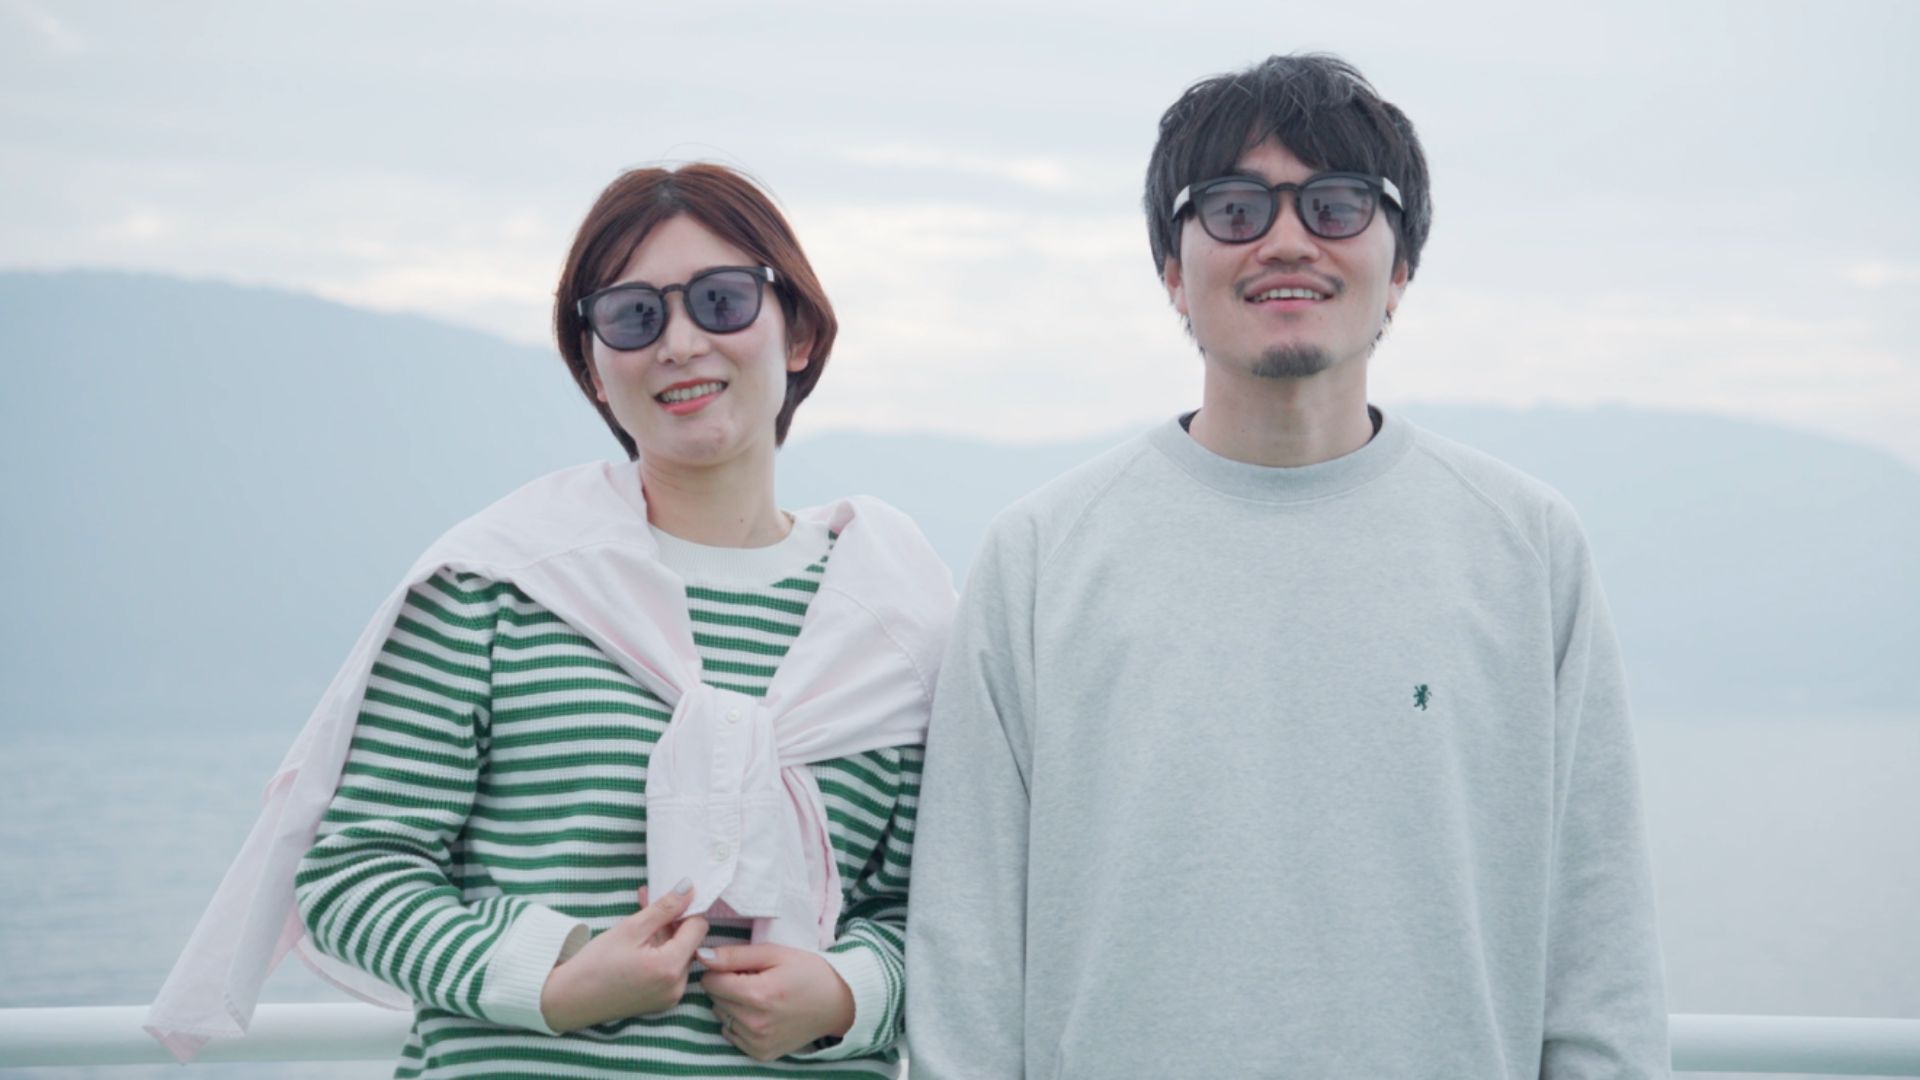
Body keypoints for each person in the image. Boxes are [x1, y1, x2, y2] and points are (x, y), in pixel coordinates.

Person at [905, 53, 1670, 1078]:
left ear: (1402, 266)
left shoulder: (1524, 546)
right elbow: (967, 963)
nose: (1286, 240)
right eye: (1234, 209)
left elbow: (1601, 947)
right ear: (1171, 271)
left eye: (1337, 204)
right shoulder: (1041, 555)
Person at [146, 163, 952, 1078]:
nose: (681, 343)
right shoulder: (496, 587)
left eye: (722, 301)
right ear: (594, 370)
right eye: (633, 316)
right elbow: (353, 875)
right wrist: (553, 977)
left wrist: (847, 994)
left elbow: (949, 918)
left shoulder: (894, 622)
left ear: (799, 331)